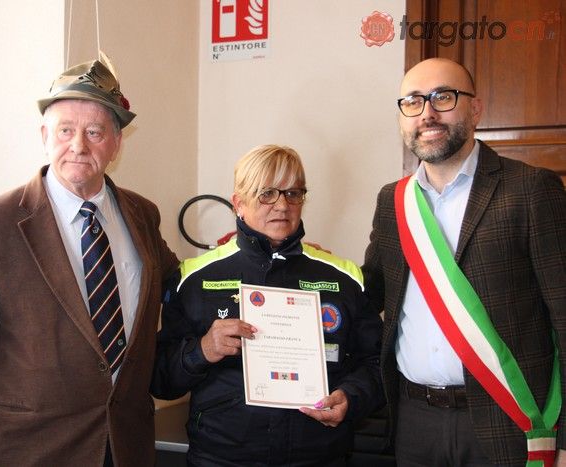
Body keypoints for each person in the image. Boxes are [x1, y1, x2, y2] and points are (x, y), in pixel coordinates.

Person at [0, 56, 178, 466]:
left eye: (94, 131)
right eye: (65, 130)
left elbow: (180, 286)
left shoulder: (142, 215)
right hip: (28, 451)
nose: (78, 145)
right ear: (45, 136)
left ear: (116, 142)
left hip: (125, 448)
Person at [362, 57, 566, 466]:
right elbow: (369, 294)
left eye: (443, 97)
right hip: (414, 422)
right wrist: (307, 273)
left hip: (508, 421)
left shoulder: (531, 189)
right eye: (413, 101)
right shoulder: (392, 201)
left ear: (475, 109)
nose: (427, 113)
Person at [151, 144, 384, 466]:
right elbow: (160, 381)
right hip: (222, 457)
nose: (282, 205)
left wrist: (351, 397)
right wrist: (201, 350)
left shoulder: (344, 277)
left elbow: (377, 363)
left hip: (318, 455)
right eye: (267, 194)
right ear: (239, 204)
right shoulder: (192, 278)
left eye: (293, 193)